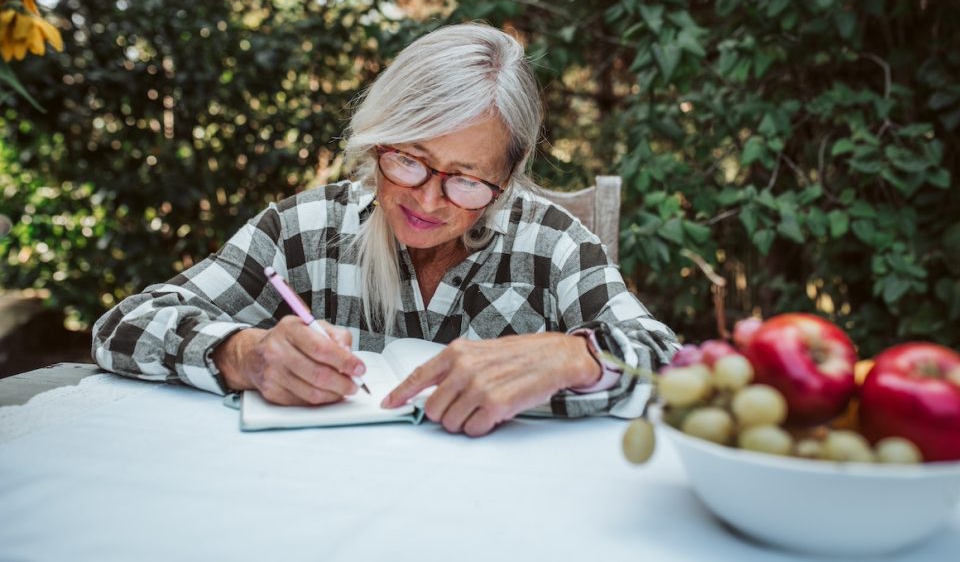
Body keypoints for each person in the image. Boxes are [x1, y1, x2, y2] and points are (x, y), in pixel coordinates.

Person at [92, 23, 680, 436]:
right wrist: (242, 353)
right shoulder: (306, 229)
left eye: (467, 180)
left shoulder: (550, 244)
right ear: (379, 139)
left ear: (508, 176)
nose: (427, 199)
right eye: (408, 160)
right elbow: (122, 327)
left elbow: (673, 364)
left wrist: (575, 357)